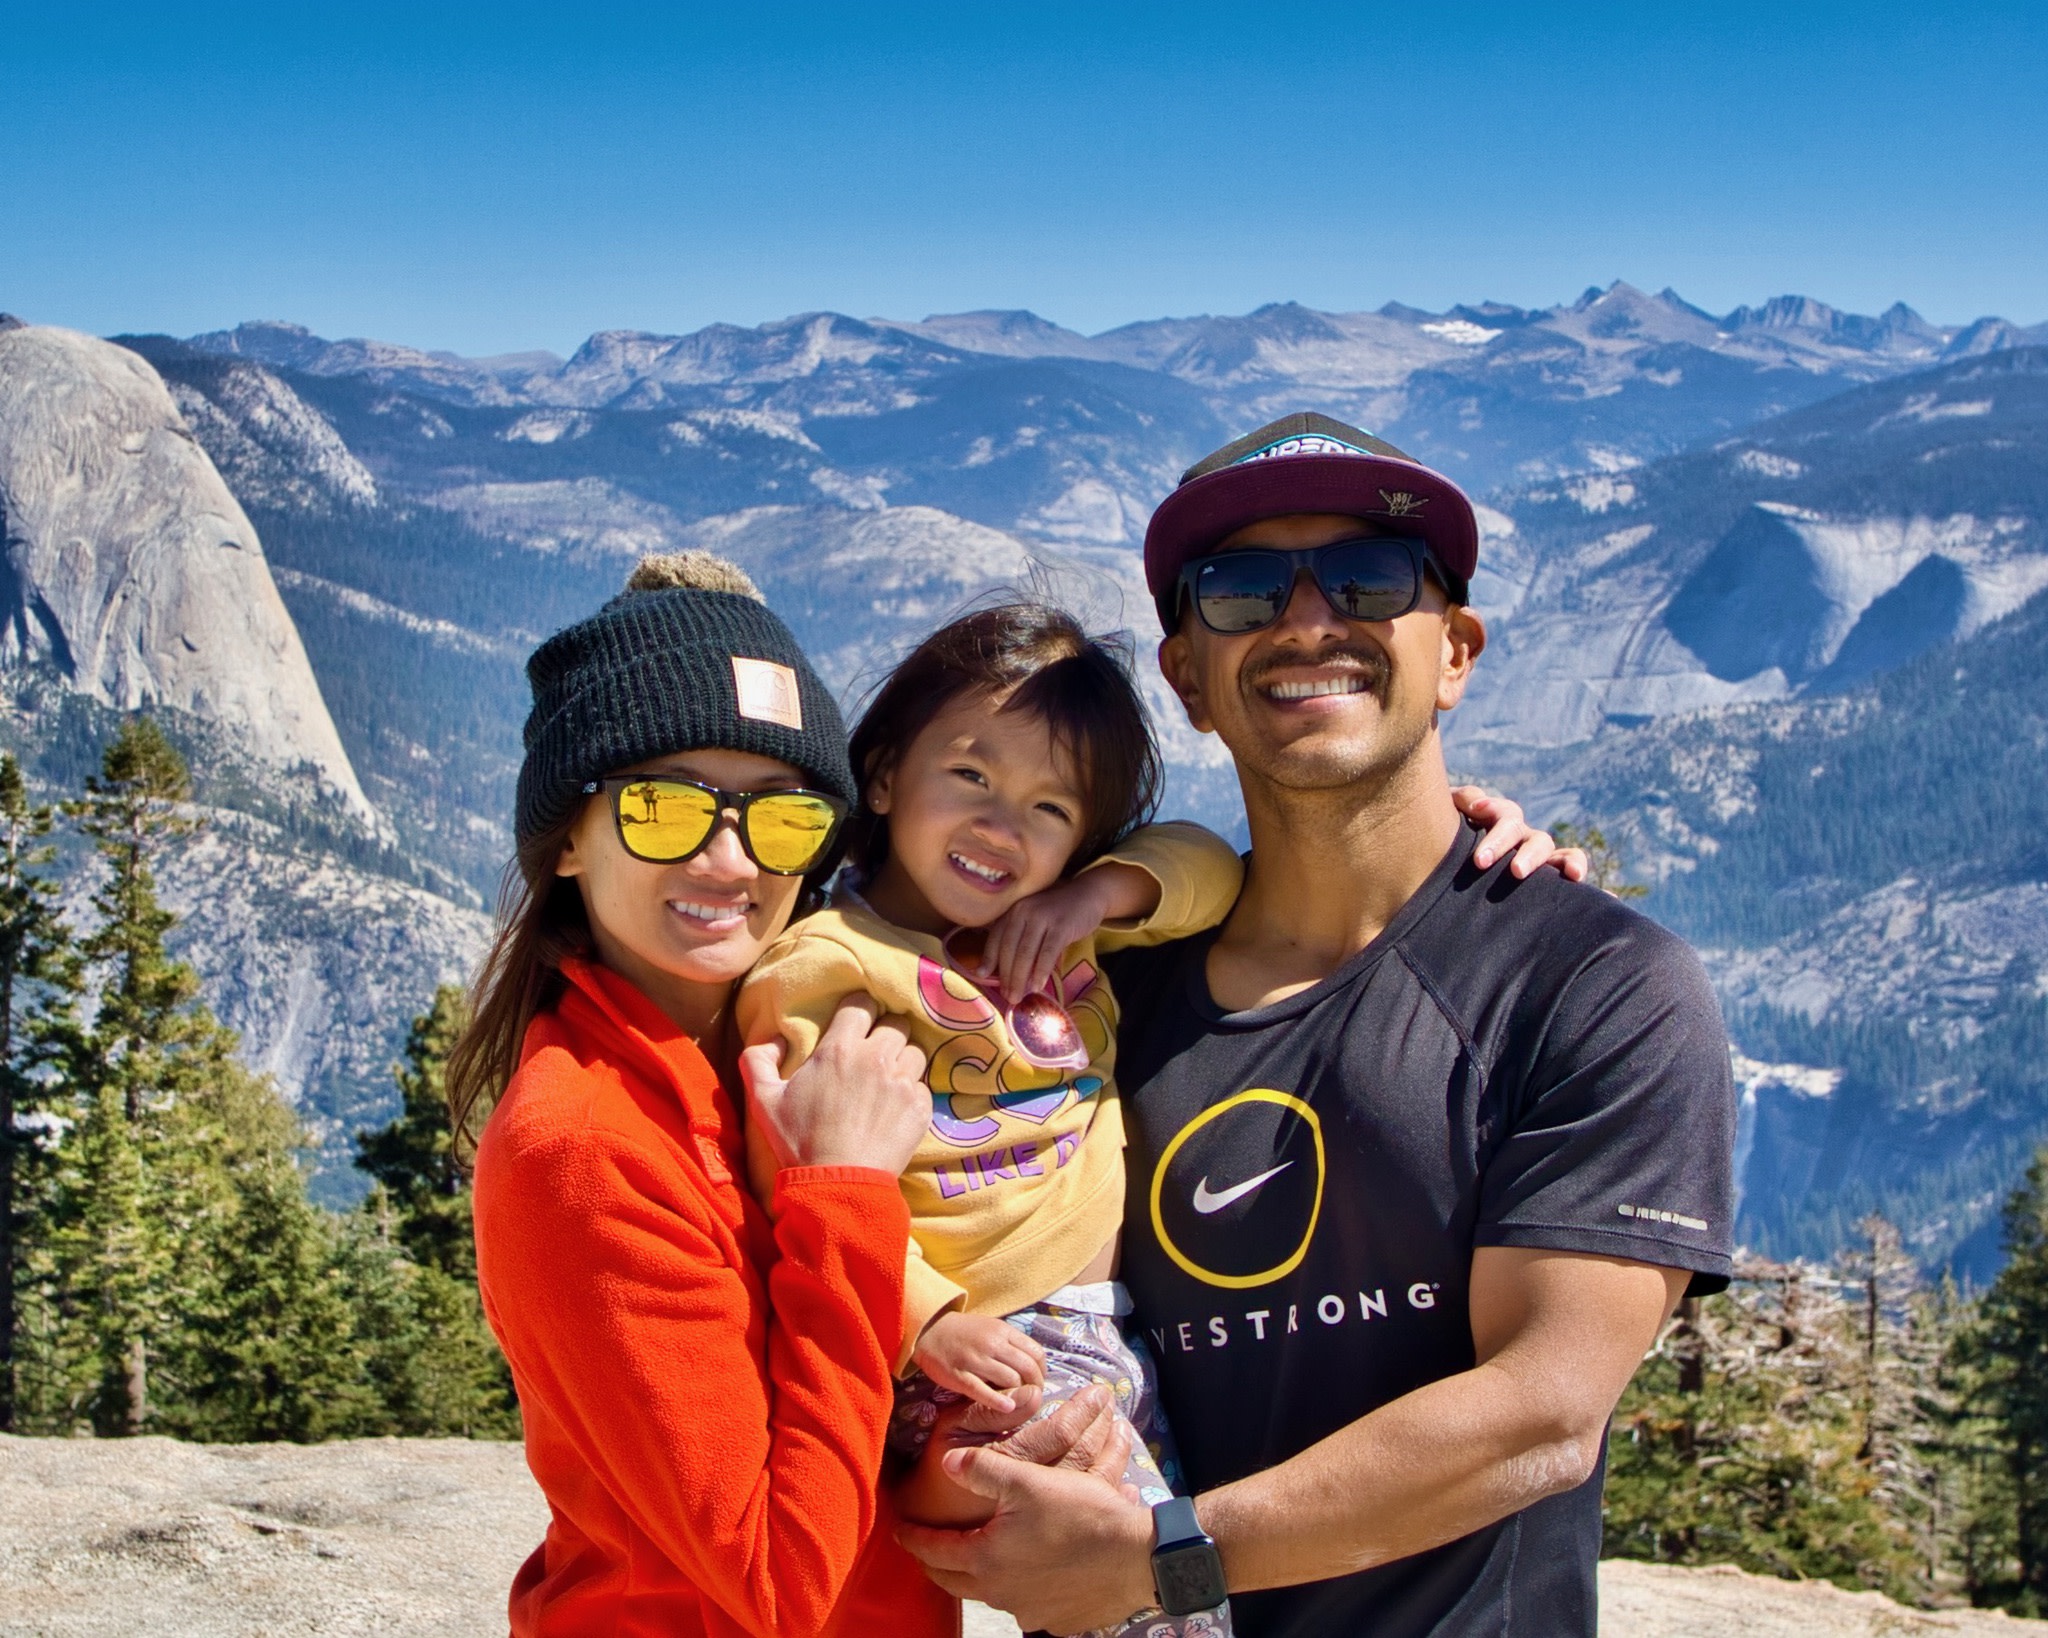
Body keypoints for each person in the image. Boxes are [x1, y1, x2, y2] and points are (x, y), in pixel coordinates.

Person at [898, 413, 1740, 1637]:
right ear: (1186, 680)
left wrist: (1163, 1560)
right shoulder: (1089, 997)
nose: (1304, 619)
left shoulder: (1591, 983)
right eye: (1240, 589)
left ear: (1454, 652)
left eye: (1367, 576)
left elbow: (1544, 1412)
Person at [454, 554, 1131, 1638]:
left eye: (778, 817)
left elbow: (845, 1455)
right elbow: (778, 1583)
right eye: (664, 807)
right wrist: (845, 1189)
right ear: (567, 837)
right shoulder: (583, 1148)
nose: (729, 862)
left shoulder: (771, 1044)